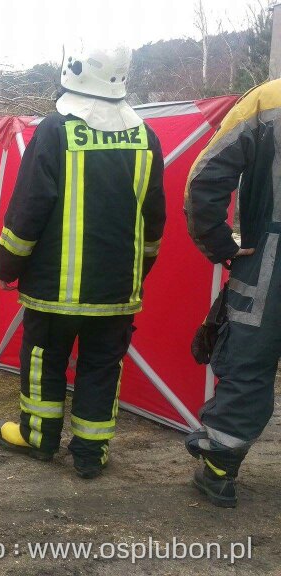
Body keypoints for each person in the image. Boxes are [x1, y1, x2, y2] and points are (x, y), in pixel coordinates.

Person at [0, 45, 166, 479]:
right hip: (117, 291)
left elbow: (28, 211)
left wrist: (8, 267)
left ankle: (39, 437)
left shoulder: (55, 131)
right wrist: (137, 273)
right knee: (102, 366)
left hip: (55, 291)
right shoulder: (146, 137)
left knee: (44, 359)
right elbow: (153, 220)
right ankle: (91, 452)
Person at [183, 79, 281, 508]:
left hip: (270, 259)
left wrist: (219, 244)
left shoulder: (268, 99)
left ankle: (220, 471)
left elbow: (205, 178)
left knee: (249, 362)